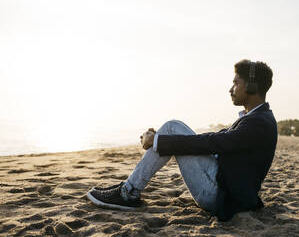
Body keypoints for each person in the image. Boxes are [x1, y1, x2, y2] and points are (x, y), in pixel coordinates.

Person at [87, 59, 278, 221]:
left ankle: (128, 193)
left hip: (222, 196)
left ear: (252, 86)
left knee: (172, 126)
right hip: (226, 188)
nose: (231, 89)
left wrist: (159, 141)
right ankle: (129, 189)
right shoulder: (256, 118)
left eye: (236, 83)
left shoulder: (258, 123)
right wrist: (161, 139)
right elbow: (217, 140)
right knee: (171, 131)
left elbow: (214, 143)